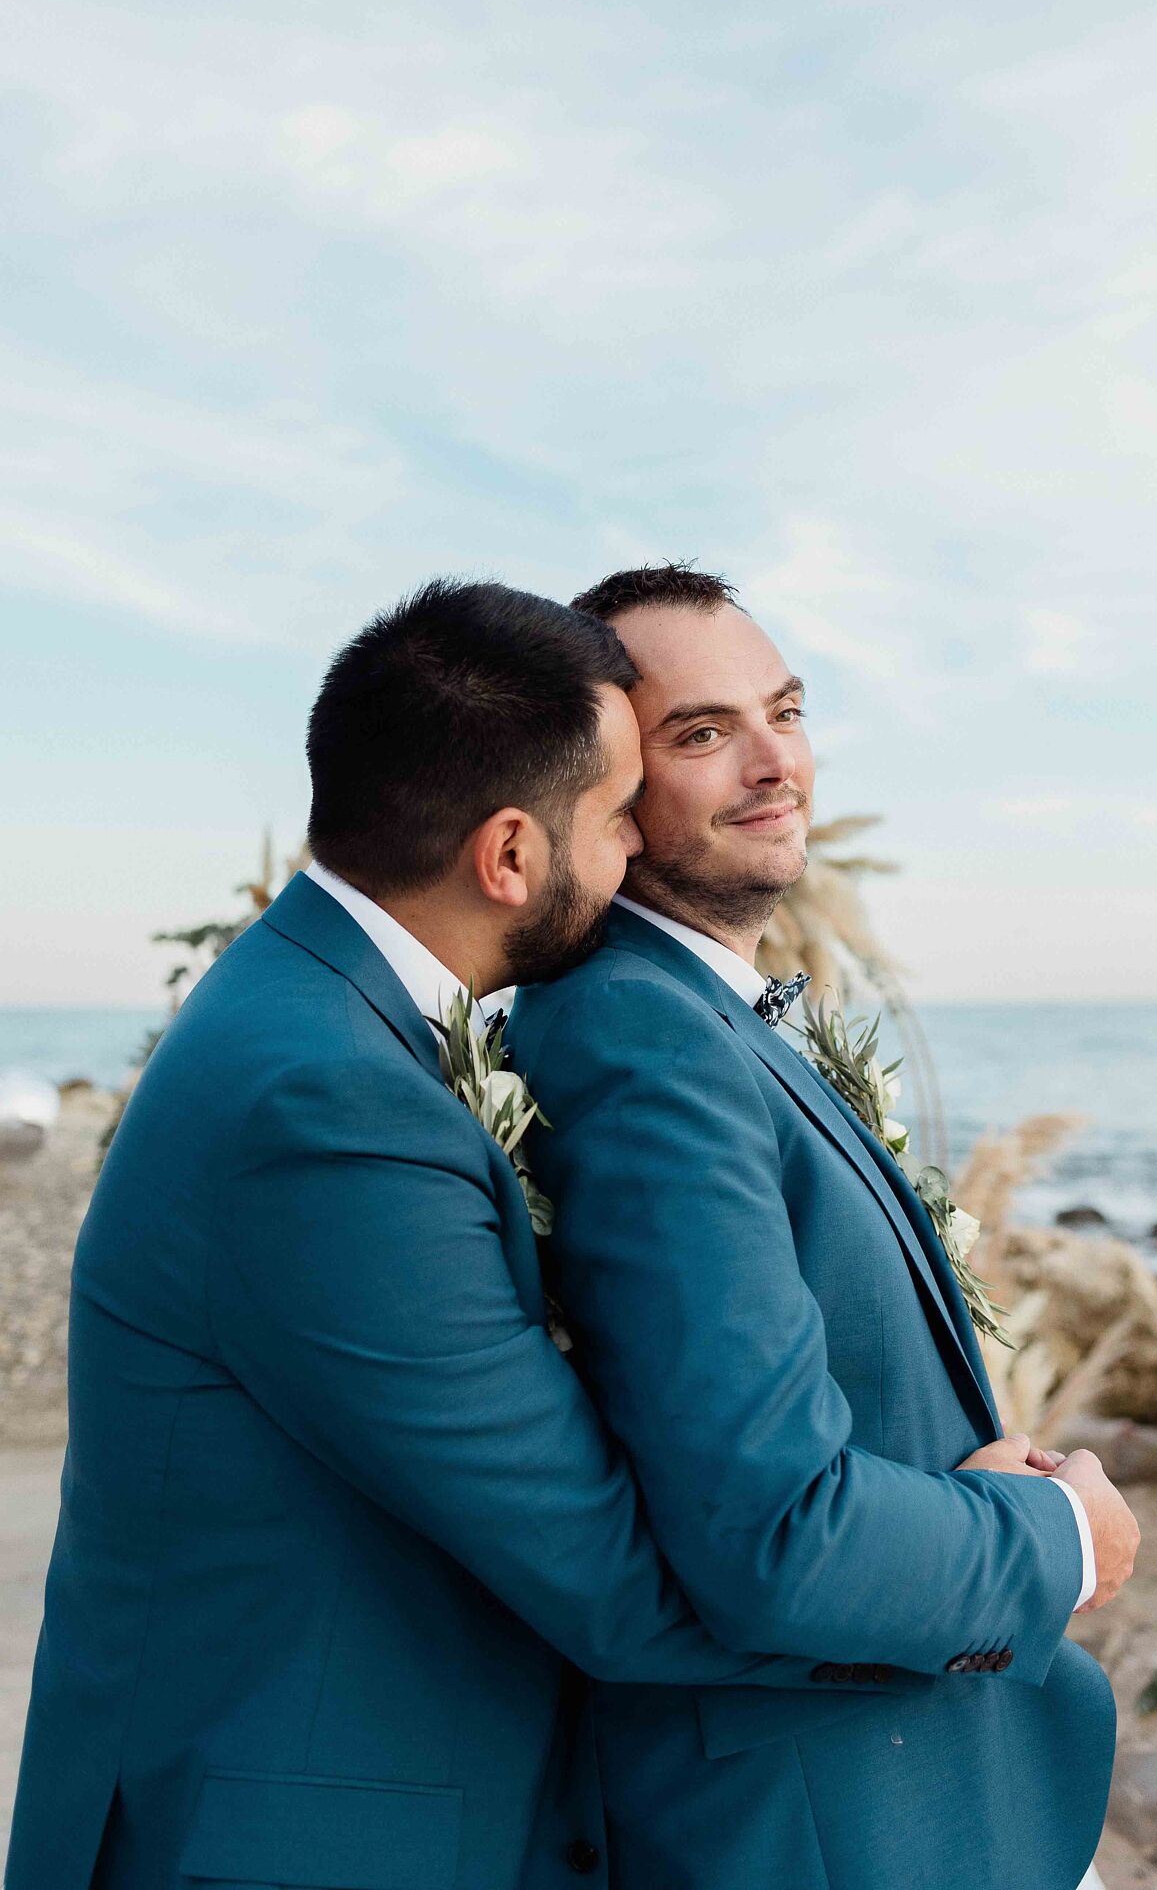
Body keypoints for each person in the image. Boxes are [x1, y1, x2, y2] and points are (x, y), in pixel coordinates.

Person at [5, 580, 892, 1890]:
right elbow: (608, 1583)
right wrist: (997, 1563)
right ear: (510, 856)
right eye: (616, 816)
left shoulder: (315, 1008)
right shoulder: (325, 1103)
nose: (634, 852)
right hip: (289, 1844)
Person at [506, 563, 1140, 1890]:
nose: (773, 763)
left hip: (926, 1785)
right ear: (600, 785)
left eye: (784, 713)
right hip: (830, 1826)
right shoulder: (635, 1035)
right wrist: (1061, 1537)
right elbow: (769, 1529)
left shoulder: (707, 1016)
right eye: (702, 732)